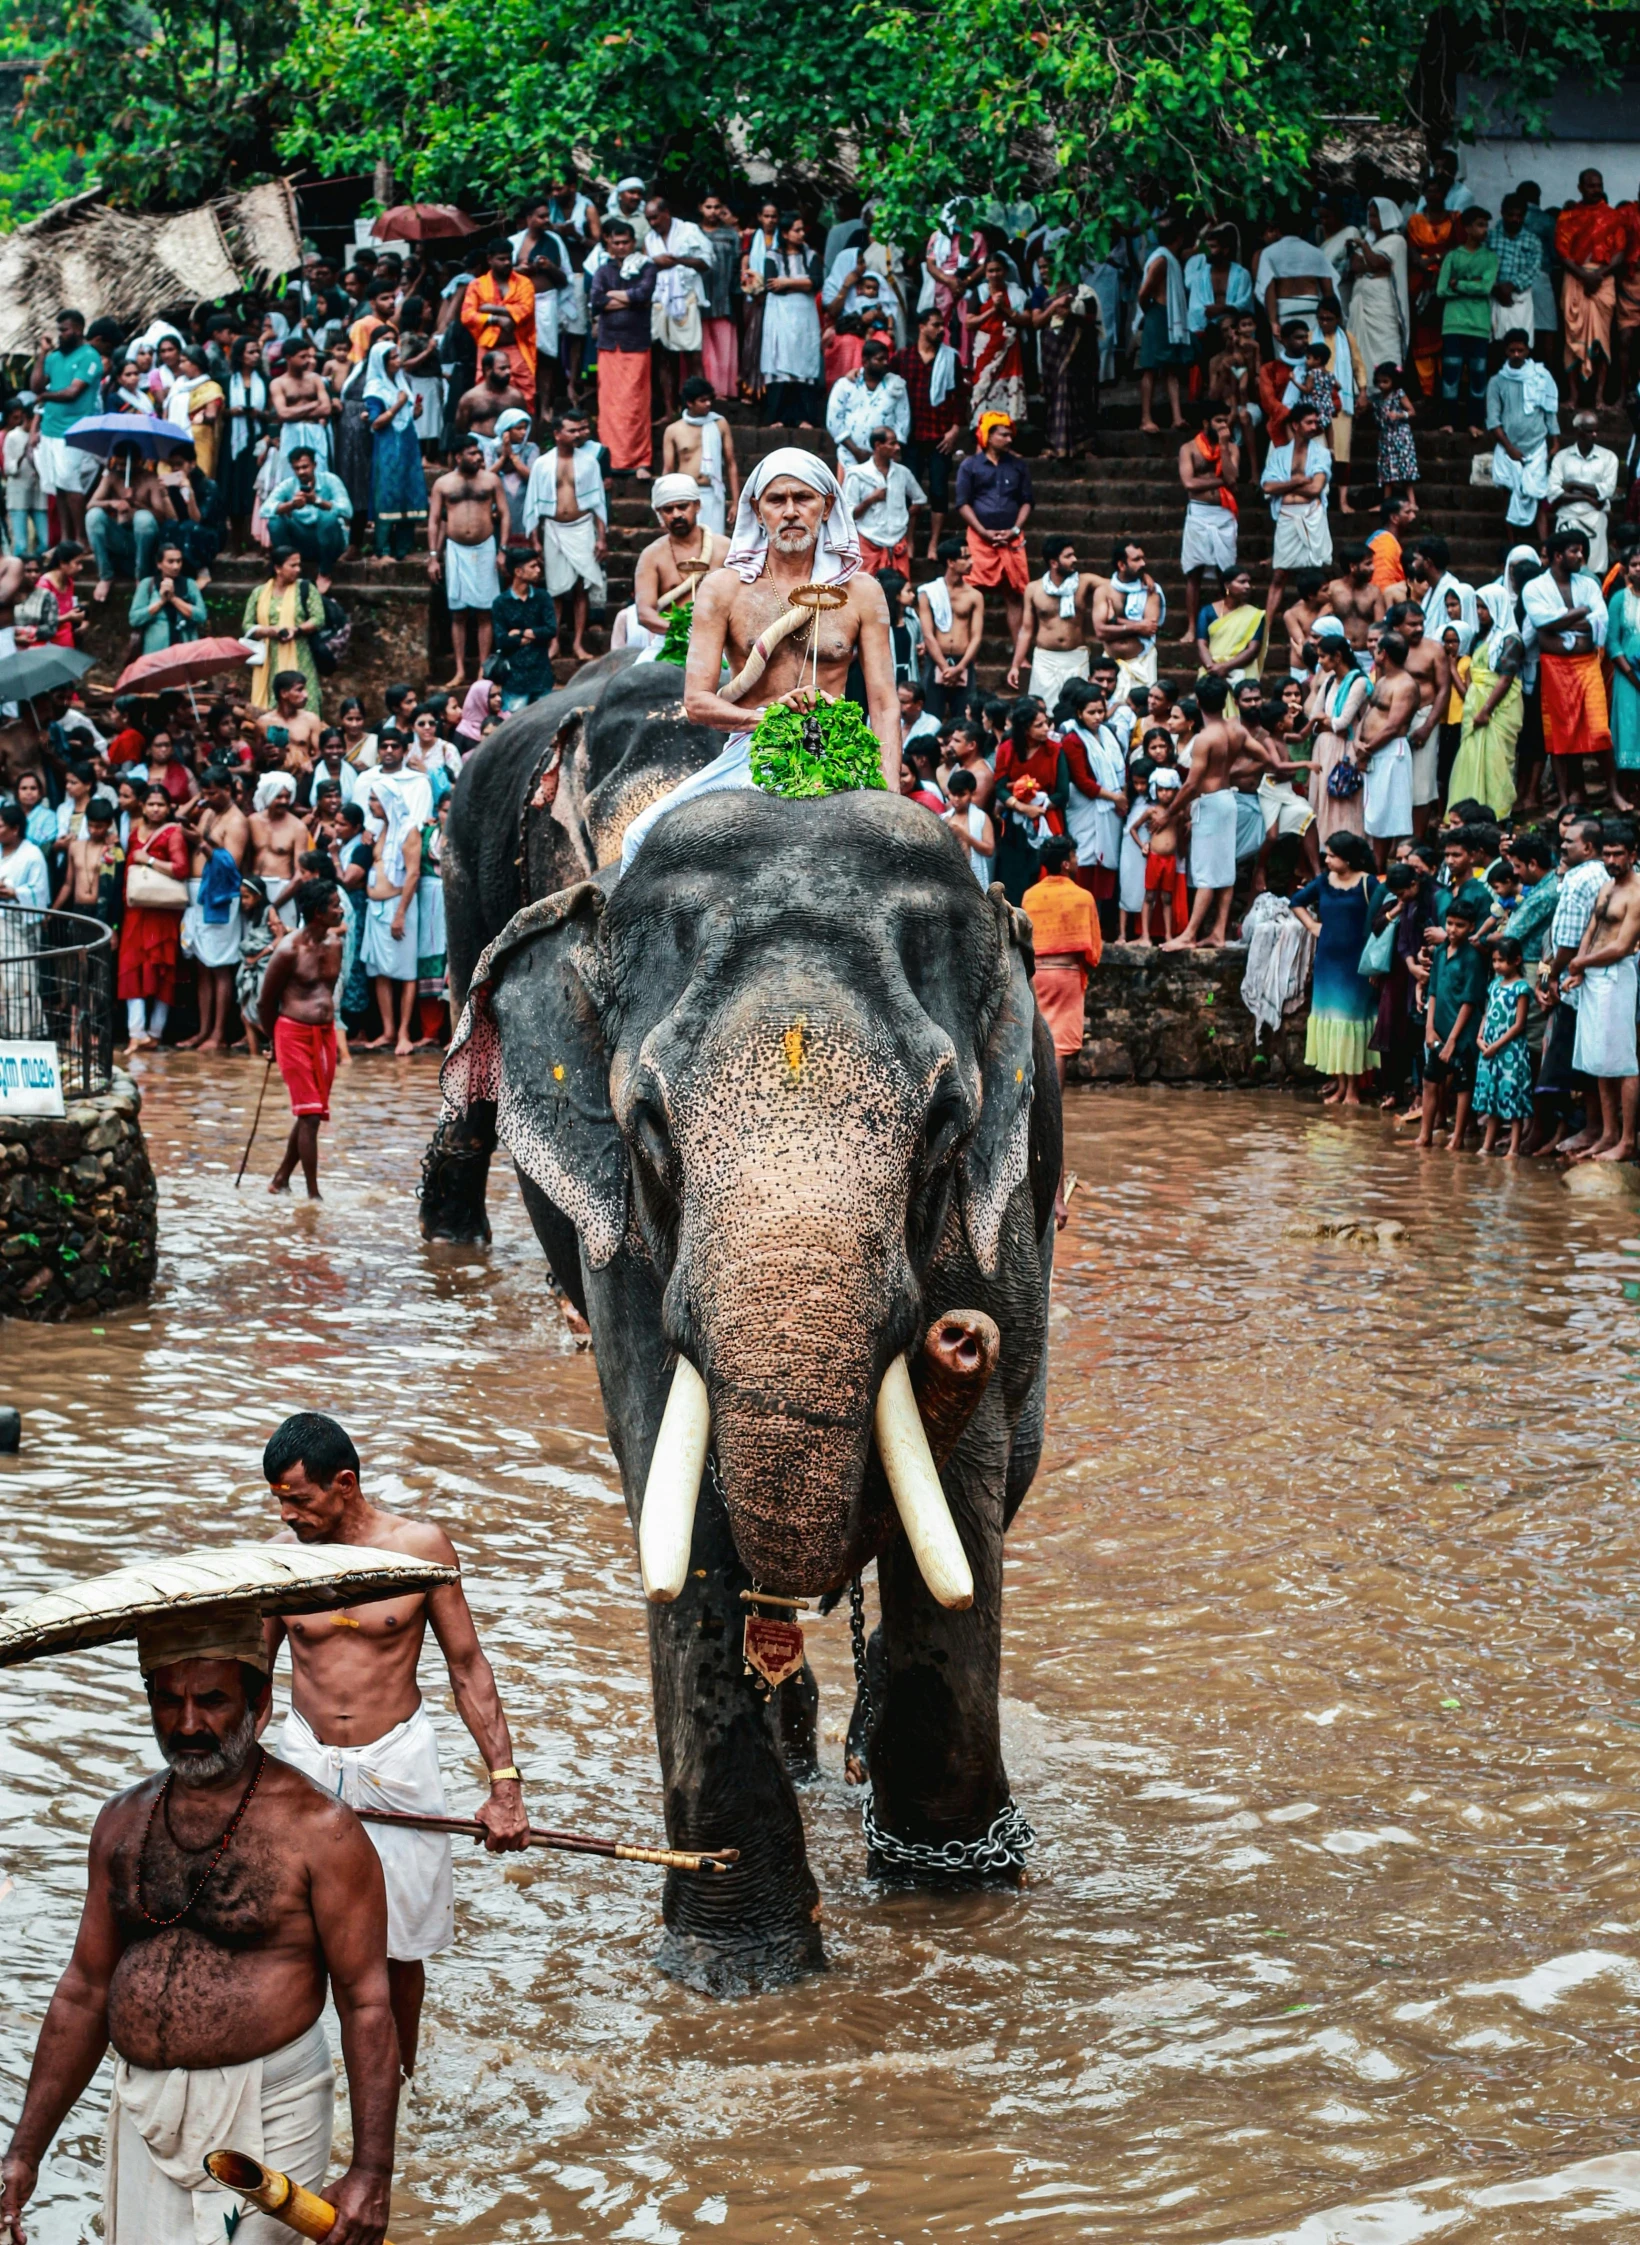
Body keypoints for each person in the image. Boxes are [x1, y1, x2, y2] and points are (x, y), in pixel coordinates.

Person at [0, 1591, 399, 2245]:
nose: (186, 1723)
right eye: (167, 1699)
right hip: (143, 2108)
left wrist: (372, 2170)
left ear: (259, 1703)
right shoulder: (121, 1822)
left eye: (211, 1699)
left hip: (268, 2106)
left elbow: (366, 2002)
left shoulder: (321, 1830)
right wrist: (23, 2151)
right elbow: (83, 1990)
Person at [261, 1411, 530, 2074]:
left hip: (397, 1764)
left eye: (300, 1498)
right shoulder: (281, 1561)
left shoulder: (420, 1548)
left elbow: (468, 1666)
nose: (288, 1514)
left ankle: (399, 2088)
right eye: (279, 1501)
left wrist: (505, 1787)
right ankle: (297, 2082)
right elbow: (251, 1679)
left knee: (398, 1949)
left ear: (345, 1483)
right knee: (287, 1937)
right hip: (306, 1762)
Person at [620, 450, 899, 868]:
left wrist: (889, 791)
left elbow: (883, 702)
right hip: (753, 752)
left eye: (803, 498)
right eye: (776, 500)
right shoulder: (722, 589)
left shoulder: (862, 592)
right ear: (757, 509)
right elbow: (697, 702)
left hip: (840, 749)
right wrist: (768, 720)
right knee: (639, 836)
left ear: (826, 505)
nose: (790, 511)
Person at [256, 878, 345, 1196]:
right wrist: (273, 1041)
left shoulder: (335, 944)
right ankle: (313, 1195)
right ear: (318, 912)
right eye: (335, 905)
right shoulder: (288, 950)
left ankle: (280, 1180)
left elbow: (329, 991)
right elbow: (265, 1002)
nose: (341, 909)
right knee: (309, 1115)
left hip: (325, 1034)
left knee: (313, 1112)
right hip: (293, 1032)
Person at [1561, 819, 1640, 1159]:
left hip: (1617, 976)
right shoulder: (1606, 887)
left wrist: (1581, 964)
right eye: (1607, 854)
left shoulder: (1636, 894)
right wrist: (1578, 966)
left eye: (1618, 855)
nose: (1611, 861)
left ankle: (1627, 1140)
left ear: (1633, 855)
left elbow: (1623, 946)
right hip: (1593, 977)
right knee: (1599, 1060)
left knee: (1623, 1063)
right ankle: (1608, 1135)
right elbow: (1591, 930)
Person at [1523, 530, 1615, 808]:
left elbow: (1601, 617)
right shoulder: (1535, 588)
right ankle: (1564, 799)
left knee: (1600, 729)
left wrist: (1561, 622)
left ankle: (1614, 791)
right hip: (1554, 668)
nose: (1581, 556)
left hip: (1587, 664)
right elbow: (1543, 622)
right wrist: (1580, 613)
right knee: (1559, 735)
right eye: (1575, 551)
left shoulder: (1588, 584)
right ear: (1557, 555)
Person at [1290, 831, 1381, 1102]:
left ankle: (1353, 1089)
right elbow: (1296, 902)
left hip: (1357, 965)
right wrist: (1312, 926)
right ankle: (1340, 1085)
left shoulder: (1369, 883)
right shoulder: (1323, 881)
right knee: (1332, 1022)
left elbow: (1382, 918)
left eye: (1332, 855)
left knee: (1350, 1023)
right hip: (1328, 962)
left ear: (1349, 859)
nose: (1326, 860)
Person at [1158, 674, 1244, 948]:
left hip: (1210, 803)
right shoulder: (1234, 730)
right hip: (1227, 799)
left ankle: (1189, 934)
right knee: (1225, 870)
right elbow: (1264, 759)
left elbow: (1192, 783)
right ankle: (1218, 932)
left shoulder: (1206, 738)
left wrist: (1169, 812)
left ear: (1198, 702)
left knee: (1207, 872)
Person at [355, 732, 427, 1052]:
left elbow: (413, 874)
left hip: (400, 907)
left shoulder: (409, 831)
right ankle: (386, 1030)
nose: (370, 805)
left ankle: (403, 1034)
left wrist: (400, 913)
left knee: (405, 971)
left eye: (373, 800)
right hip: (376, 909)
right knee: (381, 971)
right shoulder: (379, 830)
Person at [1021, 830, 1099, 1106]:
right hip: (1066, 975)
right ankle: (1053, 1109)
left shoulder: (1030, 896)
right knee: (1060, 1048)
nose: (1077, 860)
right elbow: (1093, 950)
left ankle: (1031, 1106)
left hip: (1036, 975)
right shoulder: (1084, 897)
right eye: (1074, 856)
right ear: (1066, 863)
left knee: (1036, 1042)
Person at [522, 408, 605, 666]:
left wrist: (601, 538)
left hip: (582, 527)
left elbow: (598, 503)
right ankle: (554, 641)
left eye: (580, 429)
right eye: (571, 430)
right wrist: (534, 539)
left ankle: (578, 642)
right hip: (554, 529)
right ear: (558, 434)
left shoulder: (589, 462)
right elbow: (533, 502)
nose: (577, 434)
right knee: (555, 590)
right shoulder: (542, 464)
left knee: (581, 587)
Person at [176, 765, 249, 1052]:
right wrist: (199, 800)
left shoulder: (237, 821)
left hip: (220, 895)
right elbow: (180, 817)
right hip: (197, 893)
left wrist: (202, 844)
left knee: (219, 966)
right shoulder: (207, 811)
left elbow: (230, 864)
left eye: (213, 793)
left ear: (228, 790)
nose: (208, 798)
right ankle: (203, 1030)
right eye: (204, 793)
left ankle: (218, 1034)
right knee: (202, 965)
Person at [428, 435, 509, 692]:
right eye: (472, 453)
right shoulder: (443, 484)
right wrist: (433, 556)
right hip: (456, 550)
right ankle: (461, 669)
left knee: (486, 611)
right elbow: (434, 520)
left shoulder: (491, 480)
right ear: (458, 456)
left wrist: (503, 549)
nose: (478, 458)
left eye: (479, 453)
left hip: (485, 547)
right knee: (458, 612)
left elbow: (504, 514)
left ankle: (483, 668)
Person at [952, 411, 1033, 647]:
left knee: (1015, 593)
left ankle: (1019, 650)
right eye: (1003, 435)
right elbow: (962, 503)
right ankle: (964, 646)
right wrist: (982, 531)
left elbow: (1027, 501)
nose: (1009, 439)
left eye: (1010, 435)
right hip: (979, 537)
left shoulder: (1018, 466)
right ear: (987, 435)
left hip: (1012, 538)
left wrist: (1016, 529)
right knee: (970, 590)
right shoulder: (970, 466)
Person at [117, 782, 188, 1049]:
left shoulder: (174, 834)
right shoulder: (135, 832)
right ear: (143, 806)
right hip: (136, 910)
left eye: (161, 804)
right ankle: (136, 1032)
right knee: (131, 966)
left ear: (169, 808)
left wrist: (146, 860)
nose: (156, 809)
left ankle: (155, 1033)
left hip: (162, 912)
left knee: (162, 969)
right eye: (151, 804)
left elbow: (181, 869)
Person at [1418, 884, 1489, 1149]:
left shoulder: (1472, 959)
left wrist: (1452, 1041)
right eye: (1449, 923)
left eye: (1459, 925)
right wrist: (1429, 1028)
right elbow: (1433, 992)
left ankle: (1457, 1137)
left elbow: (1470, 1002)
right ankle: (1425, 1135)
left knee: (1462, 1085)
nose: (1452, 930)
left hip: (1463, 1034)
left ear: (1471, 927)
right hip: (1439, 1028)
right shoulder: (1439, 952)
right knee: (1430, 1080)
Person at [893, 306, 966, 557]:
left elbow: (958, 396)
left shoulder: (950, 357)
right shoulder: (903, 358)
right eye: (935, 325)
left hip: (939, 434)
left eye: (942, 326)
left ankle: (934, 543)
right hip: (910, 435)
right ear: (922, 326)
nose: (940, 330)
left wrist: (955, 428)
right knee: (909, 491)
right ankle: (909, 541)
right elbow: (887, 386)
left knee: (938, 490)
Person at [588, 217, 659, 473]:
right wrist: (629, 299)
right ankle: (611, 461)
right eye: (615, 243)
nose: (620, 247)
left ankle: (641, 461)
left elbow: (644, 295)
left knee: (636, 405)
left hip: (637, 344)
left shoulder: (646, 268)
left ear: (633, 243)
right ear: (609, 244)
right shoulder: (603, 270)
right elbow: (596, 301)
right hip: (609, 345)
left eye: (625, 242)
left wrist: (614, 298)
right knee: (609, 406)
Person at [27, 308, 101, 544]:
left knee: (71, 483)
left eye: (64, 330)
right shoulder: (55, 357)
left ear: (78, 330)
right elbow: (36, 385)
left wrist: (46, 397)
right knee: (57, 486)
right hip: (50, 429)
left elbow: (73, 392)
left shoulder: (89, 356)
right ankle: (66, 539)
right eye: (59, 330)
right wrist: (42, 354)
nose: (60, 334)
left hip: (74, 430)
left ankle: (82, 539)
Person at [1556, 169, 1629, 403]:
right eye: (1591, 186)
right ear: (1580, 187)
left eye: (1599, 185)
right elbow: (1562, 252)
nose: (1596, 190)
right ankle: (1573, 396)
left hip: (1603, 280)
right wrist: (1584, 276)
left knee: (1601, 340)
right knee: (1572, 339)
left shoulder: (1613, 216)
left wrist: (1599, 275)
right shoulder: (1568, 216)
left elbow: (1619, 253)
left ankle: (1599, 398)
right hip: (1576, 278)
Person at [632, 475, 727, 640]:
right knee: (643, 665)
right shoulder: (651, 556)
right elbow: (644, 612)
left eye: (682, 507)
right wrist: (680, 632)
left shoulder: (724, 548)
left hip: (721, 638)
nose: (676, 514)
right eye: (668, 510)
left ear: (697, 505)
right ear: (659, 512)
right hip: (671, 638)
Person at [1262, 403, 1332, 629]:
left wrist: (1285, 487)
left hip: (1311, 515)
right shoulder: (1280, 453)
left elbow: (1315, 489)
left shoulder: (1322, 453)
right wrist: (1296, 482)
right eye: (1309, 422)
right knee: (1279, 575)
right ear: (1295, 425)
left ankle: (1315, 625)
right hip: (1286, 516)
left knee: (1316, 573)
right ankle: (1267, 629)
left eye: (1315, 422)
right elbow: (1267, 486)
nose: (1314, 427)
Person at [644, 195, 712, 419]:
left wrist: (678, 260)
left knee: (692, 354)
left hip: (686, 298)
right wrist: (656, 262)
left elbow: (706, 263)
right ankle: (669, 410)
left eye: (655, 217)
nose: (652, 223)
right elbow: (643, 267)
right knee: (664, 356)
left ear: (666, 213)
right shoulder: (649, 238)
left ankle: (701, 407)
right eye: (648, 219)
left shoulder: (689, 231)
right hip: (660, 301)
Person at [1355, 627, 1418, 870]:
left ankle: (1382, 867)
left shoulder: (1405, 685)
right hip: (1374, 751)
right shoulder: (1382, 679)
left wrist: (1366, 749)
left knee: (1387, 813)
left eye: (1377, 648)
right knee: (1376, 811)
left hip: (1391, 752)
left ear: (1385, 655)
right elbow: (1370, 714)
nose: (1373, 651)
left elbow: (1393, 726)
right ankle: (1377, 865)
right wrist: (1358, 740)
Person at [754, 214, 824, 428]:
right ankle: (778, 417)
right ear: (785, 234)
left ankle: (804, 417)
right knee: (780, 362)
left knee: (803, 362)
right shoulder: (772, 256)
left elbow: (816, 282)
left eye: (802, 230)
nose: (802, 234)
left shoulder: (811, 255)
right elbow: (772, 285)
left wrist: (787, 282)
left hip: (804, 315)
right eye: (797, 230)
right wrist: (801, 284)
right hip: (780, 314)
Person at [1178, 408, 1240, 642]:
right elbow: (1189, 483)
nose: (1224, 425)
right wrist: (1221, 481)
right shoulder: (1189, 449)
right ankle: (1192, 628)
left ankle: (1224, 625)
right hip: (1199, 514)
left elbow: (1232, 477)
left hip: (1224, 514)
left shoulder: (1232, 448)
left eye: (1227, 421)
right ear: (1206, 422)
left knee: (1226, 572)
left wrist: (1224, 447)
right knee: (1194, 572)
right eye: (1219, 420)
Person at [1435, 207, 1498, 434]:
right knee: (1451, 374)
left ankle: (1475, 423)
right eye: (1480, 225)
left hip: (1479, 326)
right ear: (1467, 228)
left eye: (1485, 225)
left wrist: (1459, 284)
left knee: (1478, 375)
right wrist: (1473, 284)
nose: (1484, 230)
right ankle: (1448, 422)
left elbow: (1486, 288)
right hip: (1453, 323)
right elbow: (1441, 290)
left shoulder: (1490, 258)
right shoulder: (1452, 256)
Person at [1473, 934, 1535, 1156]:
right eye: (1494, 960)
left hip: (1511, 1052)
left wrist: (1496, 1045)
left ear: (1516, 960)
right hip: (1489, 1049)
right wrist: (1480, 1038)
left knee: (1513, 1098)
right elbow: (1487, 1013)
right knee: (1492, 1097)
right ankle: (1488, 1144)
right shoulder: (1494, 985)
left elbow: (1519, 1025)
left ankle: (1514, 1148)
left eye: (1501, 960)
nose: (1497, 965)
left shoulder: (1521, 988)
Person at [1008, 534, 1088, 702]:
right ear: (1053, 563)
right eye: (1068, 556)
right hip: (1045, 659)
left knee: (1078, 709)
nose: (1074, 559)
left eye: (1073, 554)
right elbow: (1026, 630)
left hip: (1076, 657)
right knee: (1043, 710)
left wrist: (1143, 577)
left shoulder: (1085, 582)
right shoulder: (1033, 589)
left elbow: (1118, 584)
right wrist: (1016, 665)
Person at [243, 546, 324, 711]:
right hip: (269, 659)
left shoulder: (306, 589)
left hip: (301, 658)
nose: (298, 570)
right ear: (278, 568)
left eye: (298, 565)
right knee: (272, 705)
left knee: (304, 702)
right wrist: (269, 631)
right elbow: (247, 625)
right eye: (292, 565)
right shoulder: (259, 593)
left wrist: (297, 630)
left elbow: (319, 618)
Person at [841, 425, 925, 578]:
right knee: (867, 593)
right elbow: (848, 513)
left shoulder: (903, 473)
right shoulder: (857, 474)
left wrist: (905, 517)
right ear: (878, 446)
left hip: (898, 542)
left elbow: (919, 499)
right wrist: (871, 499)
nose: (897, 447)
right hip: (868, 543)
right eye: (892, 443)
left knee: (900, 593)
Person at [917, 535, 985, 721]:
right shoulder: (929, 592)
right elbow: (928, 634)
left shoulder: (974, 596)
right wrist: (944, 666)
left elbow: (977, 636)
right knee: (931, 716)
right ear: (951, 562)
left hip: (963, 660)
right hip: (937, 660)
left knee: (964, 717)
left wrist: (960, 667)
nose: (971, 562)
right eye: (965, 557)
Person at [662, 375, 739, 536]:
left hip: (712, 492)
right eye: (702, 400)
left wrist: (735, 502)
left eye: (710, 399)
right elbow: (668, 470)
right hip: (685, 494)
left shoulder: (720, 424)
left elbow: (731, 464)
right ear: (689, 403)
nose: (708, 404)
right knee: (686, 542)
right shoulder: (673, 430)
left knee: (714, 542)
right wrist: (664, 501)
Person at [460, 240, 536, 403]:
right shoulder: (476, 285)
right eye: (501, 259)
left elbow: (525, 310)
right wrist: (495, 319)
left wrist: (488, 308)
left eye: (509, 258)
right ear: (490, 260)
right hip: (488, 349)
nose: (507, 263)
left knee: (526, 397)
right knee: (486, 397)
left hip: (518, 347)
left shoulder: (524, 283)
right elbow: (466, 315)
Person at [1136, 218, 1193, 434]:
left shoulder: (1169, 258)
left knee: (1172, 368)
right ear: (1179, 238)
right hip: (1158, 314)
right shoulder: (1161, 260)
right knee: (1150, 368)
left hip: (1167, 316)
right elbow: (1143, 293)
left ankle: (1177, 417)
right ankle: (1145, 418)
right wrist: (1150, 311)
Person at [1547, 411, 1620, 574]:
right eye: (1589, 431)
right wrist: (1587, 496)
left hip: (1595, 517)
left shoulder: (1608, 457)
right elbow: (1553, 493)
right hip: (1568, 517)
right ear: (1578, 431)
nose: (1594, 435)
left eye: (1596, 430)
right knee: (1566, 568)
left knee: (1594, 569)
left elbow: (1607, 490)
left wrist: (1573, 484)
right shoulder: (1562, 457)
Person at [963, 253, 1030, 430]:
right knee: (983, 388)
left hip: (1010, 351)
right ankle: (982, 435)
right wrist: (993, 309)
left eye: (998, 270)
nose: (994, 274)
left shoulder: (1017, 294)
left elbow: (1027, 320)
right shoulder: (979, 293)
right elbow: (969, 323)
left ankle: (1007, 434)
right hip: (986, 349)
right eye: (990, 271)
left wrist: (1005, 309)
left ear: (1006, 271)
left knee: (1009, 391)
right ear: (985, 273)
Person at [1090, 539, 1163, 698]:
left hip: (1142, 661)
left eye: (1143, 558)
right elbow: (1101, 632)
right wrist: (1137, 627)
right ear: (1122, 565)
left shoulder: (1150, 590)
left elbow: (1149, 628)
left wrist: (1115, 620)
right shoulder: (1104, 591)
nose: (1143, 563)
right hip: (1110, 668)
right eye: (1136, 559)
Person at [826, 335, 911, 470]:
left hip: (886, 461)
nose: (885, 363)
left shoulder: (897, 386)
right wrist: (856, 452)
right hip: (850, 458)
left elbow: (903, 422)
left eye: (886, 359)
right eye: (879, 359)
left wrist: (892, 451)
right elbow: (834, 422)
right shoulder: (845, 385)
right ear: (865, 361)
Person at [491, 544, 559, 709]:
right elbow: (502, 640)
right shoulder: (501, 603)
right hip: (515, 678)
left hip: (541, 675)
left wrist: (520, 633)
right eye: (533, 566)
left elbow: (551, 629)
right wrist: (534, 635)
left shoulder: (543, 598)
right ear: (518, 572)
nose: (538, 570)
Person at [128, 538, 207, 654]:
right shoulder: (147, 584)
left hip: (185, 647)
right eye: (170, 562)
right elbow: (134, 619)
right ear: (159, 564)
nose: (176, 566)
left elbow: (201, 615)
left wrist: (173, 599)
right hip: (155, 649)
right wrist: (161, 602)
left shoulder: (189, 584)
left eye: (179, 561)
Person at [270, 338, 335, 468]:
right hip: (291, 432)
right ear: (289, 357)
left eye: (309, 356)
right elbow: (283, 413)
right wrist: (312, 405)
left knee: (319, 469)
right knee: (290, 470)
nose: (308, 361)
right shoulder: (278, 383)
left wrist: (294, 412)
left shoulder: (315, 379)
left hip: (315, 430)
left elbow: (326, 409)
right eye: (302, 357)